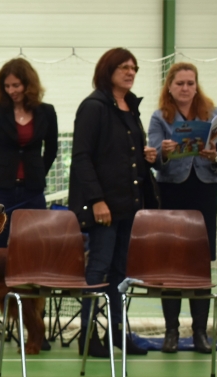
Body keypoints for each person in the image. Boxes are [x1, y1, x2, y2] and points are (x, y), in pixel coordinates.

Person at [69, 48, 157, 358]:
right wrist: (96, 200)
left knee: (121, 273)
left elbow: (124, 155)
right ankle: (88, 335)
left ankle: (117, 333)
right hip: (104, 207)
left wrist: (146, 156)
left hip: (130, 205)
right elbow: (82, 157)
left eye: (134, 68)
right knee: (98, 269)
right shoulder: (93, 107)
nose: (130, 72)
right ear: (108, 71)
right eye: (124, 67)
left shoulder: (130, 107)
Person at [148, 62, 217, 354]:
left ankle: (200, 333)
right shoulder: (160, 117)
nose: (185, 88)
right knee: (171, 261)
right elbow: (153, 157)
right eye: (180, 83)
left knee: (200, 262)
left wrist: (214, 158)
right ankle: (171, 332)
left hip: (204, 192)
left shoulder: (213, 114)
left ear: (196, 86)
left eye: (190, 83)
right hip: (171, 192)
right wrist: (163, 153)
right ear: (170, 87)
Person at [0, 57, 57, 351]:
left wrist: (36, 174)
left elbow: (52, 150)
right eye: (7, 86)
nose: (12, 91)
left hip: (32, 193)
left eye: (16, 85)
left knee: (34, 259)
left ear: (28, 84)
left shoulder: (46, 112)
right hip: (0, 191)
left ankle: (36, 331)